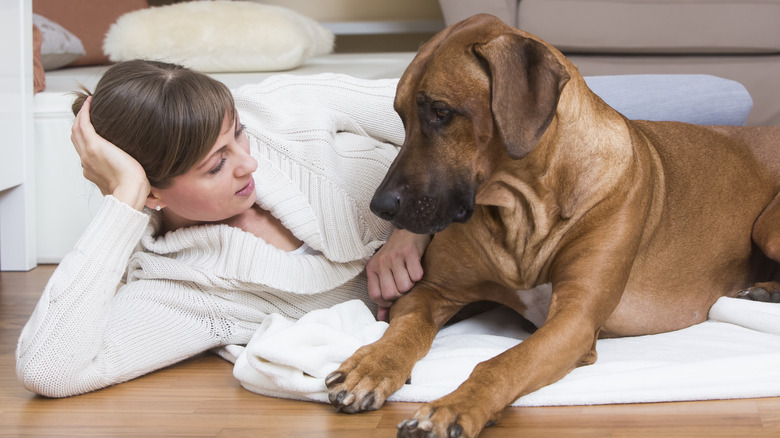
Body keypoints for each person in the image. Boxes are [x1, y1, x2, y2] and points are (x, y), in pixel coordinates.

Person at [16, 60, 431, 398]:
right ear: (153, 193)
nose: (248, 164)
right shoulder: (185, 289)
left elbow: (457, 110)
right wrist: (123, 199)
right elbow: (49, 369)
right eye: (216, 165)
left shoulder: (279, 108)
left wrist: (416, 223)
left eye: (239, 134)